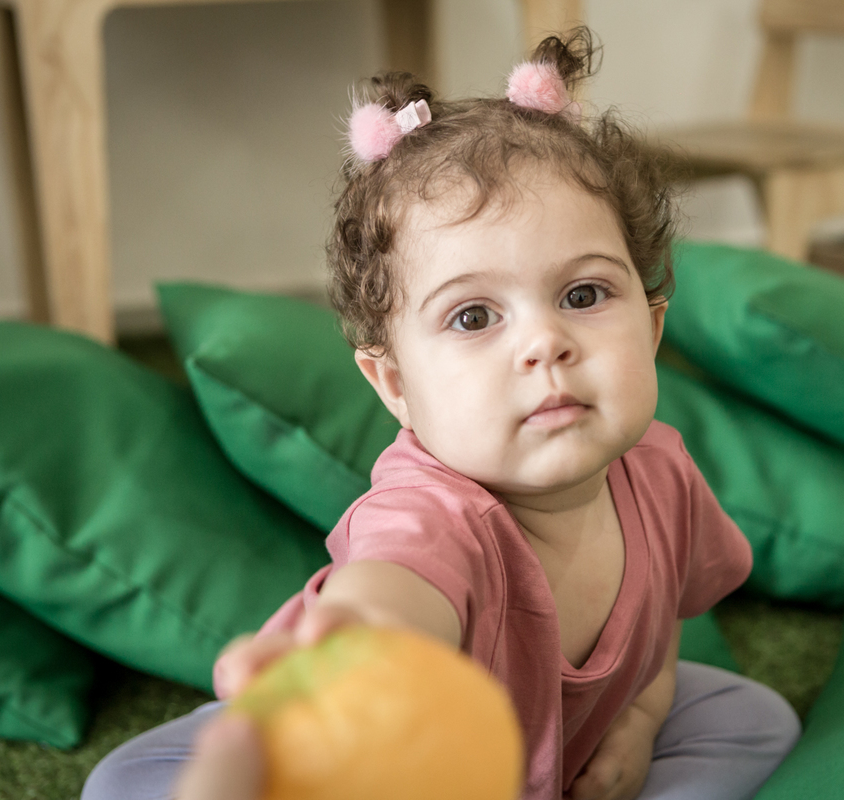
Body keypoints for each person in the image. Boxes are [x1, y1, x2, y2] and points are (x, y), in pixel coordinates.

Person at [82, 29, 801, 800]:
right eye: (472, 317)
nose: (544, 344)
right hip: (391, 760)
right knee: (131, 783)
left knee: (752, 716)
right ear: (394, 385)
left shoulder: (661, 471)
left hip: (566, 741)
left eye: (583, 295)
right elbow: (393, 593)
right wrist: (354, 651)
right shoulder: (431, 516)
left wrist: (640, 722)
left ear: (653, 326)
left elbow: (657, 642)